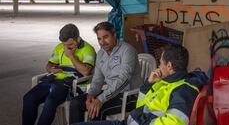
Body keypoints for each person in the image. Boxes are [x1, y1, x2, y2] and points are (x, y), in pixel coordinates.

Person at [72, 44, 208, 125]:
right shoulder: (166, 82)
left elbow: (174, 122)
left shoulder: (183, 89)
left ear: (169, 66)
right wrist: (148, 84)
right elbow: (141, 106)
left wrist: (144, 121)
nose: (159, 66)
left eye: (160, 62)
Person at [22, 24, 96, 125]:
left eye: (69, 45)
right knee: (28, 98)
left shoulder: (88, 49)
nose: (65, 47)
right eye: (64, 44)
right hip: (53, 80)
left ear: (78, 39)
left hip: (70, 85)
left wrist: (71, 56)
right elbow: (48, 65)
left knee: (50, 101)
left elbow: (86, 71)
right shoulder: (60, 47)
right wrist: (51, 69)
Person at [69, 21, 140, 123]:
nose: (102, 42)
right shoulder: (101, 54)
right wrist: (91, 95)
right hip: (109, 94)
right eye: (99, 39)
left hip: (129, 96)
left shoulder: (127, 50)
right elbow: (97, 79)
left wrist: (101, 99)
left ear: (114, 35)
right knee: (76, 103)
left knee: (97, 109)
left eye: (105, 37)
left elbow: (123, 80)